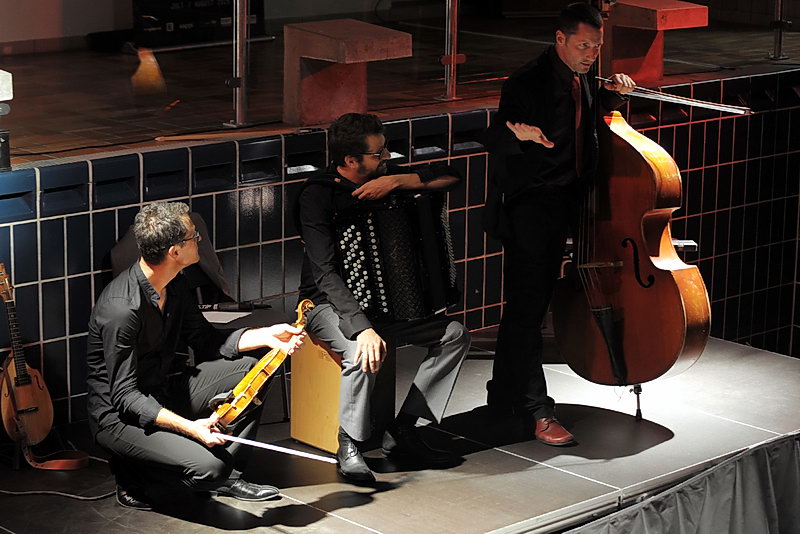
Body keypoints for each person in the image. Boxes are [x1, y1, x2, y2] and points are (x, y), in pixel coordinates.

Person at [482, 3, 635, 446]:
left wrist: (613, 97)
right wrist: (518, 135)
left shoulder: (584, 75)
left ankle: (503, 394)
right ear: (560, 39)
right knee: (528, 308)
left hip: (571, 201)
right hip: (532, 207)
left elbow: (584, 122)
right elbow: (493, 135)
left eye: (597, 47)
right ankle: (537, 410)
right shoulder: (526, 81)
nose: (591, 55)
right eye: (583, 46)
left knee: (526, 308)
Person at [86, 202, 305, 510]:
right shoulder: (121, 308)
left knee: (255, 365)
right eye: (193, 236)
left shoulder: (176, 282)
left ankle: (229, 474)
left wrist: (266, 335)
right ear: (175, 251)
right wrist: (193, 429)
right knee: (210, 469)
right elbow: (125, 397)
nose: (199, 240)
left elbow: (205, 340)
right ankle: (136, 474)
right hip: (120, 416)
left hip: (163, 392)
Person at [297, 112, 471, 482]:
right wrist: (361, 328)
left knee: (454, 335)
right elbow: (325, 273)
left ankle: (404, 429)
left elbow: (452, 176)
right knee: (360, 352)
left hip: (387, 307)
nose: (386, 157)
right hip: (325, 304)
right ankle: (349, 442)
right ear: (350, 160)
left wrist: (395, 180)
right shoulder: (317, 195)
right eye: (378, 154)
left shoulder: (386, 176)